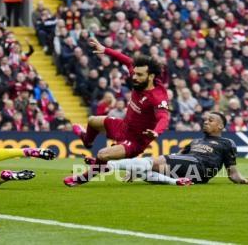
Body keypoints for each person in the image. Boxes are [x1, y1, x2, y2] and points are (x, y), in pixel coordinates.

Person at [64, 37, 169, 186]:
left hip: (134, 141)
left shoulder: (157, 97)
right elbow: (127, 60)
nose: (134, 76)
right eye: (134, 73)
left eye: (139, 75)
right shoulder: (140, 76)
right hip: (123, 126)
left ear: (151, 76)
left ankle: (82, 179)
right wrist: (105, 50)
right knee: (93, 120)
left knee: (102, 154)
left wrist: (157, 132)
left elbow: (163, 117)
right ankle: (87, 141)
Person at [106, 112, 248, 185]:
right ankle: (176, 182)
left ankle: (109, 165)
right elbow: (178, 155)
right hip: (191, 172)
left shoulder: (227, 142)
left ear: (220, 126)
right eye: (205, 120)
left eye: (211, 120)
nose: (206, 122)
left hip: (201, 166)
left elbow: (233, 173)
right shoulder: (195, 141)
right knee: (146, 172)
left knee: (152, 161)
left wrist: (245, 182)